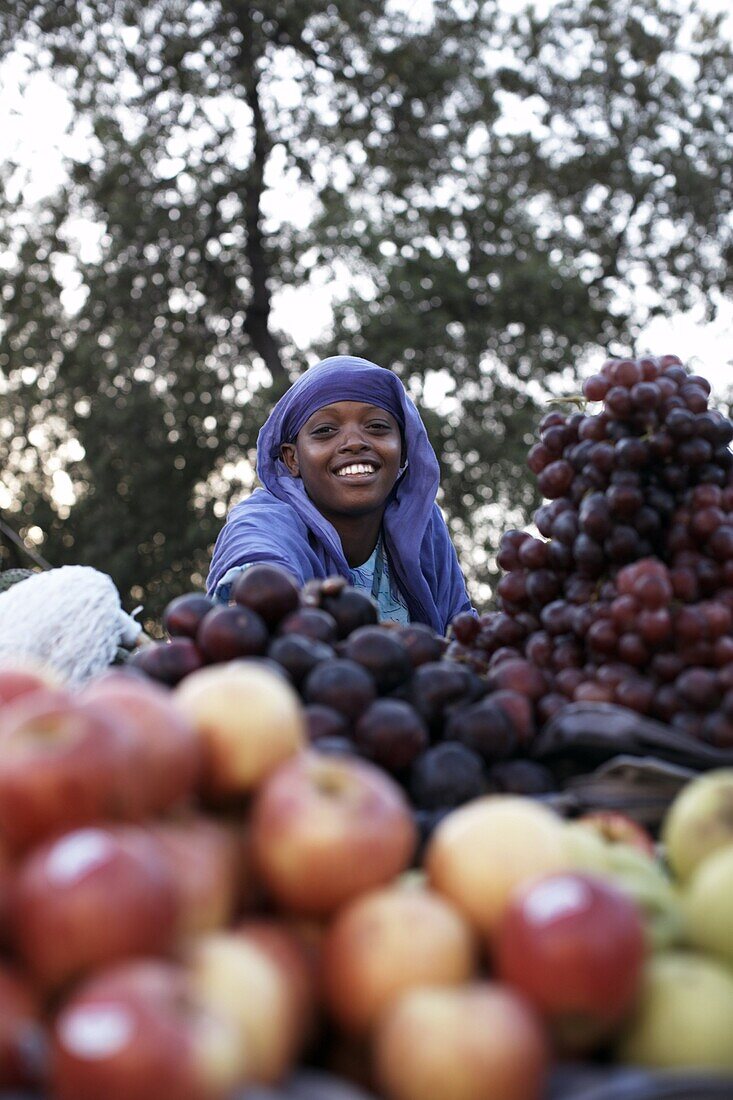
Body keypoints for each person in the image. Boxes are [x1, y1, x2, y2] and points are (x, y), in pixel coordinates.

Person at [207, 355, 474, 634]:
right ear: (292, 458)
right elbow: (257, 585)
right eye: (325, 431)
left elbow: (461, 632)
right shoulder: (262, 522)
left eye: (377, 427)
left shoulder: (422, 525)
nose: (355, 443)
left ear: (404, 449)